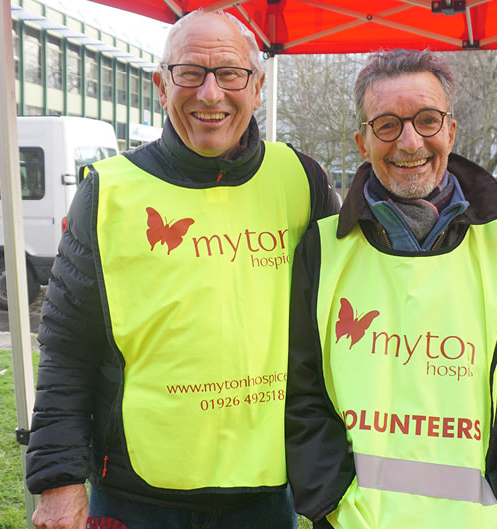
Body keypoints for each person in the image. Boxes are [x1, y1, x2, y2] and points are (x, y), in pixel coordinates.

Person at [25, 10, 338, 529]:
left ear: (257, 87)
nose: (211, 94)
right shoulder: (108, 193)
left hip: (264, 493)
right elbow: (66, 349)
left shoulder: (302, 181)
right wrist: (58, 481)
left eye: (230, 74)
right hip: (135, 492)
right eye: (190, 72)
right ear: (162, 85)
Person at [284, 49, 497, 529]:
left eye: (427, 120)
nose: (410, 142)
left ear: (450, 131)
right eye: (386, 125)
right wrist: (332, 503)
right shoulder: (322, 251)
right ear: (362, 142)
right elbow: (296, 392)